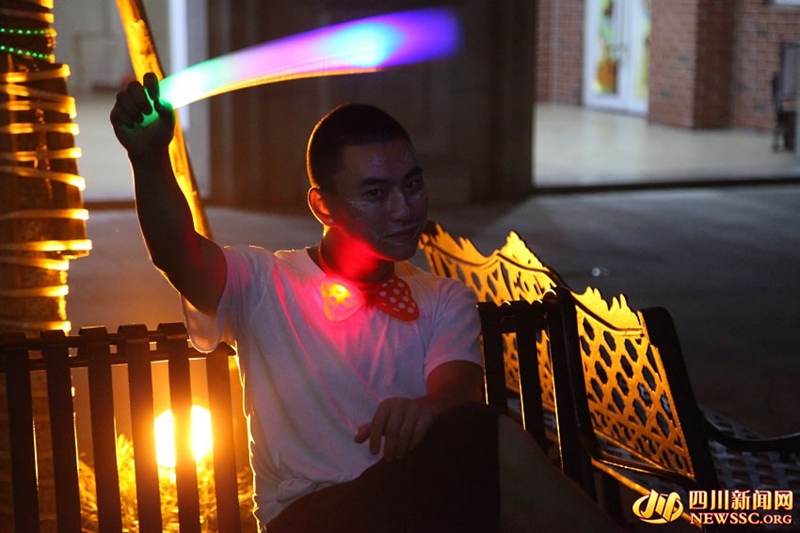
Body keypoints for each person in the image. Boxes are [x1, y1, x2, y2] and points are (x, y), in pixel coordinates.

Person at [110, 72, 622, 532]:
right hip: (310, 515)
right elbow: (178, 255)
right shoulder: (266, 281)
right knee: (485, 445)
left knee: (479, 443)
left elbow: (459, 389)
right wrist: (150, 161)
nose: (404, 209)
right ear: (322, 206)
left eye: (412, 185)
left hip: (421, 503)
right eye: (375, 194)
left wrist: (426, 410)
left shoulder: (443, 296)